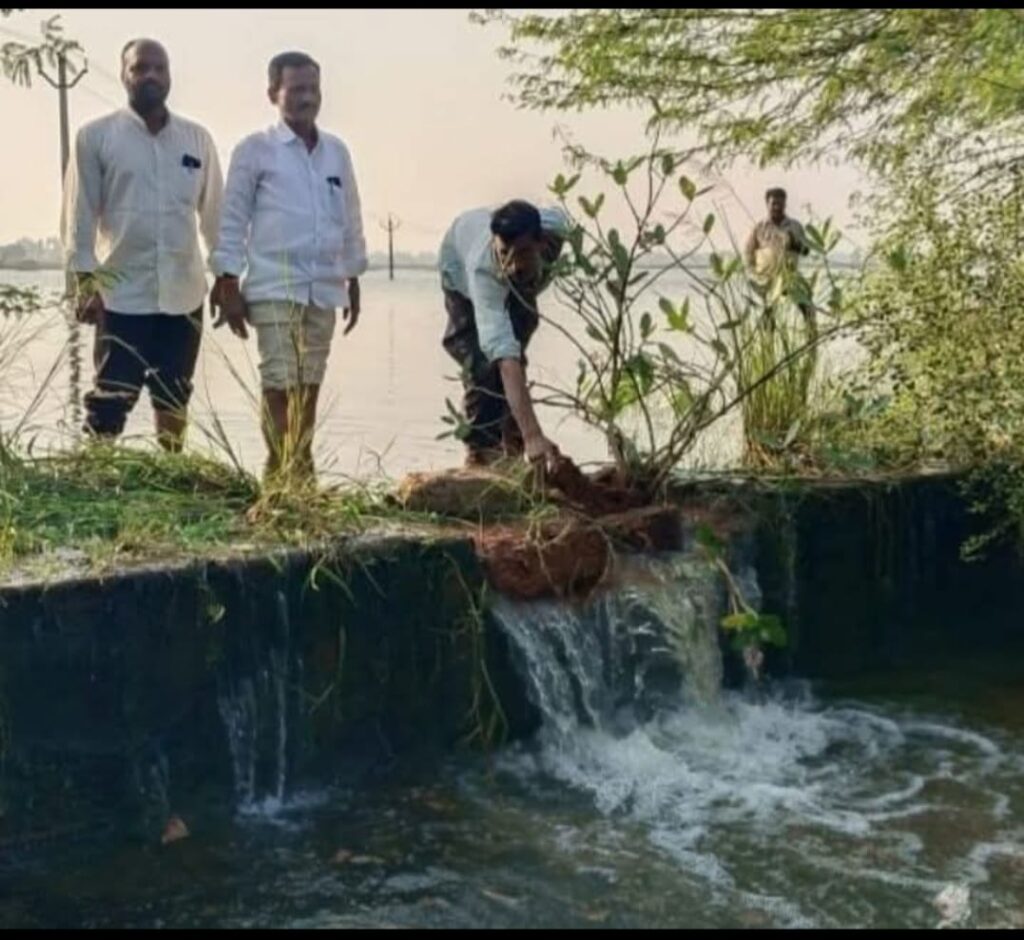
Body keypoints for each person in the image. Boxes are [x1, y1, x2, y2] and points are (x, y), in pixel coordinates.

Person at [210, 51, 367, 483]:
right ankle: (282, 470)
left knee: (310, 381)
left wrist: (354, 275)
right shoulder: (255, 150)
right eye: (296, 89)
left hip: (325, 285)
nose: (307, 98)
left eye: (313, 89)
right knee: (280, 379)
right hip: (274, 285)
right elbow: (233, 218)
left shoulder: (336, 152)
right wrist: (227, 280)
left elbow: (350, 215)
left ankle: (301, 462)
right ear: (273, 94)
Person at [61, 38, 223, 450]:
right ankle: (97, 479)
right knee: (110, 400)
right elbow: (79, 217)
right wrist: (84, 284)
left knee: (173, 394)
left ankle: (170, 479)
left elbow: (214, 217)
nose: (150, 75)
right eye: (140, 68)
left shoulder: (197, 139)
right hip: (120, 295)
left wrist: (226, 277)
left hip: (183, 293)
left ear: (169, 76)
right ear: (124, 75)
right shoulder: (96, 137)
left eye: (159, 68)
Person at [438, 200, 569, 470]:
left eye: (520, 252)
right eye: (504, 251)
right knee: (483, 364)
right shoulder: (483, 271)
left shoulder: (556, 229)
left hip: (524, 280)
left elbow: (558, 213)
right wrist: (535, 434)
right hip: (459, 274)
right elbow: (504, 357)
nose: (510, 263)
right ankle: (481, 454)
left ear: (541, 242)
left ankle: (514, 442)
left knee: (518, 342)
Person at [744, 187, 815, 329]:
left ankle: (812, 346)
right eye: (773, 204)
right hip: (769, 280)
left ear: (785, 204)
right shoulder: (759, 228)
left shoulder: (795, 226)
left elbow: (806, 251)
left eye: (780, 204)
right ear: (767, 204)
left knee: (808, 311)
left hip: (791, 277)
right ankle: (768, 348)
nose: (777, 207)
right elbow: (748, 253)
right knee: (768, 319)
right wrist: (756, 275)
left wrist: (795, 244)